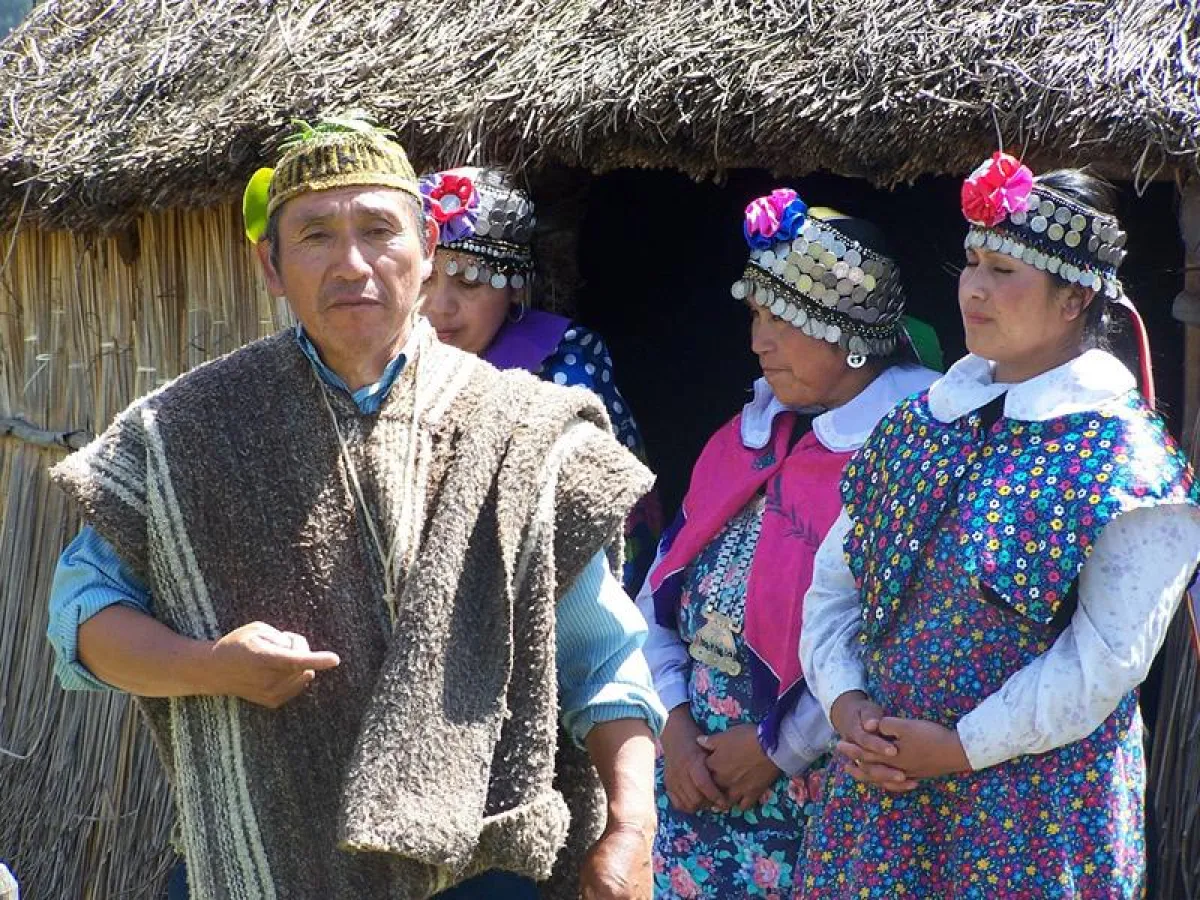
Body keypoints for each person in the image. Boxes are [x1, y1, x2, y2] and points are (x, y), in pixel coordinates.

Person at [45, 116, 666, 900]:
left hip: (481, 871)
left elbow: (604, 663)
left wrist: (630, 829)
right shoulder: (183, 432)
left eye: (379, 229)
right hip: (254, 862)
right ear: (270, 266)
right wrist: (212, 669)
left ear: (427, 249)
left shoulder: (520, 431)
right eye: (314, 236)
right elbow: (81, 619)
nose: (353, 263)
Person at [799, 153, 1200, 898]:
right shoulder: (917, 427)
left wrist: (959, 748)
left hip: (1034, 814)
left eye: (1005, 270)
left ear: (1075, 298)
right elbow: (834, 586)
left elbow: (1106, 660)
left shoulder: (1124, 460)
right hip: (880, 791)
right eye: (972, 262)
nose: (975, 289)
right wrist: (848, 706)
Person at [635, 189, 941, 898]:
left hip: (823, 794)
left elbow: (890, 633)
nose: (757, 341)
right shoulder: (745, 436)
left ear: (848, 331)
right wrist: (675, 727)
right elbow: (659, 584)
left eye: (782, 320)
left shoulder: (910, 449)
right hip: (694, 783)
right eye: (756, 316)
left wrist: (779, 749)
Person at [418, 166, 661, 592]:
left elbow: (609, 515)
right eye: (425, 280)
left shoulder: (565, 365)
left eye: (469, 281)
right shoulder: (390, 365)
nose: (440, 307)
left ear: (514, 287)